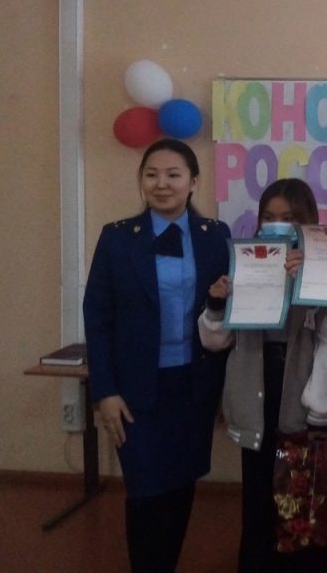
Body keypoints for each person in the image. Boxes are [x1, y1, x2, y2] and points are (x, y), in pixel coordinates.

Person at [83, 138, 231, 573]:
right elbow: (97, 318)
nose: (161, 184)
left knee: (181, 486)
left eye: (173, 175)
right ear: (141, 181)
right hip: (135, 391)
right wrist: (105, 391)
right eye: (151, 175)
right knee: (145, 492)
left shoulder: (215, 236)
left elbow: (227, 312)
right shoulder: (117, 238)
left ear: (193, 182)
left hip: (193, 385)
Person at [198, 178, 327, 573]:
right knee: (258, 500)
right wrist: (217, 303)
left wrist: (321, 408)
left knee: (304, 499)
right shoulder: (246, 261)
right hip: (255, 394)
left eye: (288, 218)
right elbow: (216, 341)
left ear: (307, 221)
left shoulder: (325, 266)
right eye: (269, 217)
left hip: (302, 398)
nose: (277, 225)